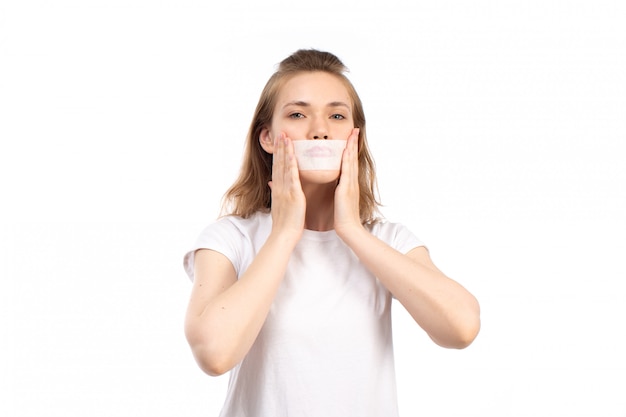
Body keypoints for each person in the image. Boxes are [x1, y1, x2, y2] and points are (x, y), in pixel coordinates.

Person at [182, 49, 480, 417]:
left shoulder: (388, 241)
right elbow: (214, 354)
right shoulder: (230, 239)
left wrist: (351, 229)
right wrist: (284, 234)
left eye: (336, 115)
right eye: (297, 114)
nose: (319, 129)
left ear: (355, 137)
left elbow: (462, 328)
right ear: (268, 138)